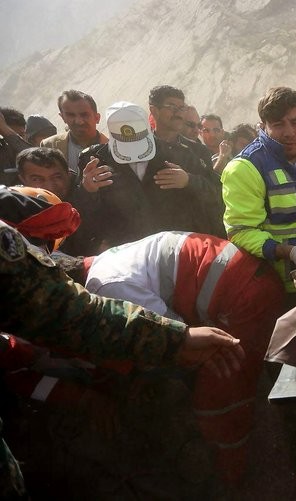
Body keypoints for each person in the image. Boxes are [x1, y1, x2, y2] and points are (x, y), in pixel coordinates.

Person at [0, 187, 244, 498]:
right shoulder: (28, 334)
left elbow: (70, 314)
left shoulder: (75, 289)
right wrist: (83, 399)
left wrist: (176, 338)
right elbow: (20, 367)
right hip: (54, 398)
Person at [80, 231, 285, 485]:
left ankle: (232, 477)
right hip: (250, 283)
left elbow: (171, 335)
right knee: (230, 380)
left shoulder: (104, 286)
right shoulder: (105, 261)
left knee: (217, 396)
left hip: (246, 297)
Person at [64, 101, 225, 255]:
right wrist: (86, 191)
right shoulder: (94, 161)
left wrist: (189, 181)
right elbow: (78, 214)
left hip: (176, 251)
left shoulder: (179, 155)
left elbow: (218, 193)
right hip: (125, 255)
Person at [221, 86, 296, 307]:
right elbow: (240, 232)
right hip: (274, 287)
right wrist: (289, 252)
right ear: (263, 127)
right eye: (278, 124)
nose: (289, 132)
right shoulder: (245, 168)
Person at [40, 90, 108, 178]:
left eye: (84, 115)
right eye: (71, 115)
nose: (79, 121)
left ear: (97, 118)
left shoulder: (112, 148)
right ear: (63, 117)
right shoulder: (49, 146)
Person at [0, 108, 33, 186]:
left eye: (21, 135)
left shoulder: (27, 147)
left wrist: (6, 130)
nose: (15, 140)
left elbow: (37, 157)